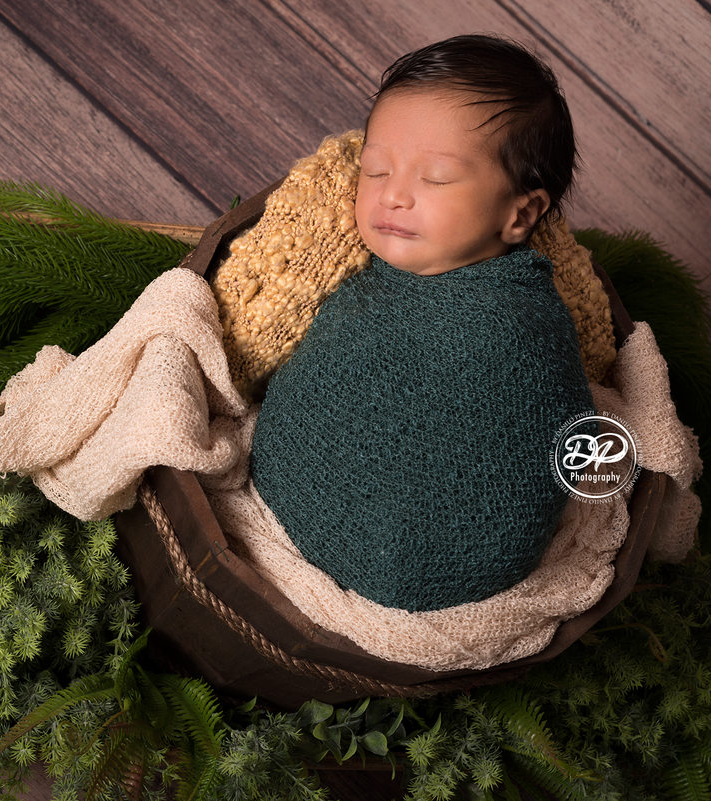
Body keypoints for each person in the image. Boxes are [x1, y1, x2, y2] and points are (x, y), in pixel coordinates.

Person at [249, 34, 597, 612]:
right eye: (375, 170)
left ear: (521, 214)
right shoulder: (344, 261)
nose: (393, 195)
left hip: (449, 559)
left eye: (434, 178)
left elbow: (565, 429)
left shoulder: (522, 324)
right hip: (291, 501)